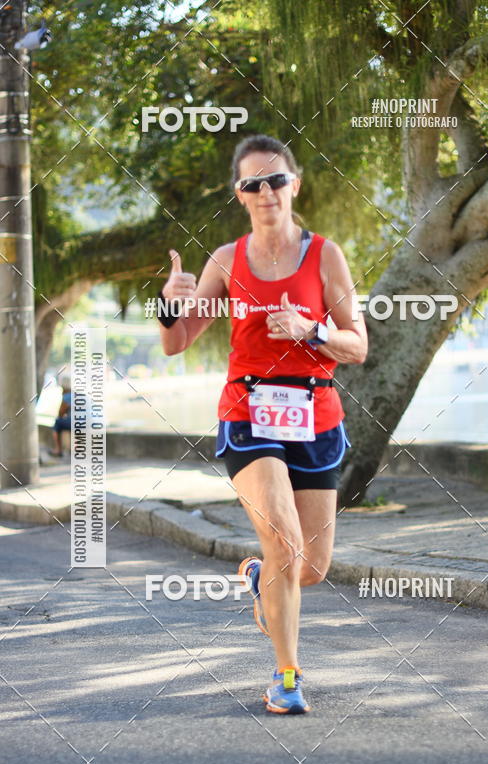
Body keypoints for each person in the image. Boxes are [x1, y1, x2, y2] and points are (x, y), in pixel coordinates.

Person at [157, 134, 367, 714]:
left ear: (294, 185)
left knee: (311, 568)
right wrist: (169, 301)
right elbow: (177, 342)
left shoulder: (325, 255)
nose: (266, 190)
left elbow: (359, 344)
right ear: (240, 194)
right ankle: (288, 678)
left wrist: (313, 330)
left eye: (276, 179)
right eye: (253, 183)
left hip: (317, 416)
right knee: (285, 543)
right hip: (249, 414)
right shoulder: (225, 261)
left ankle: (259, 578)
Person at [49, 375, 72, 458]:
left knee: (57, 422)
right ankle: (72, 448)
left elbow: (60, 413)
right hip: (89, 421)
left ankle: (58, 450)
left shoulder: (67, 396)